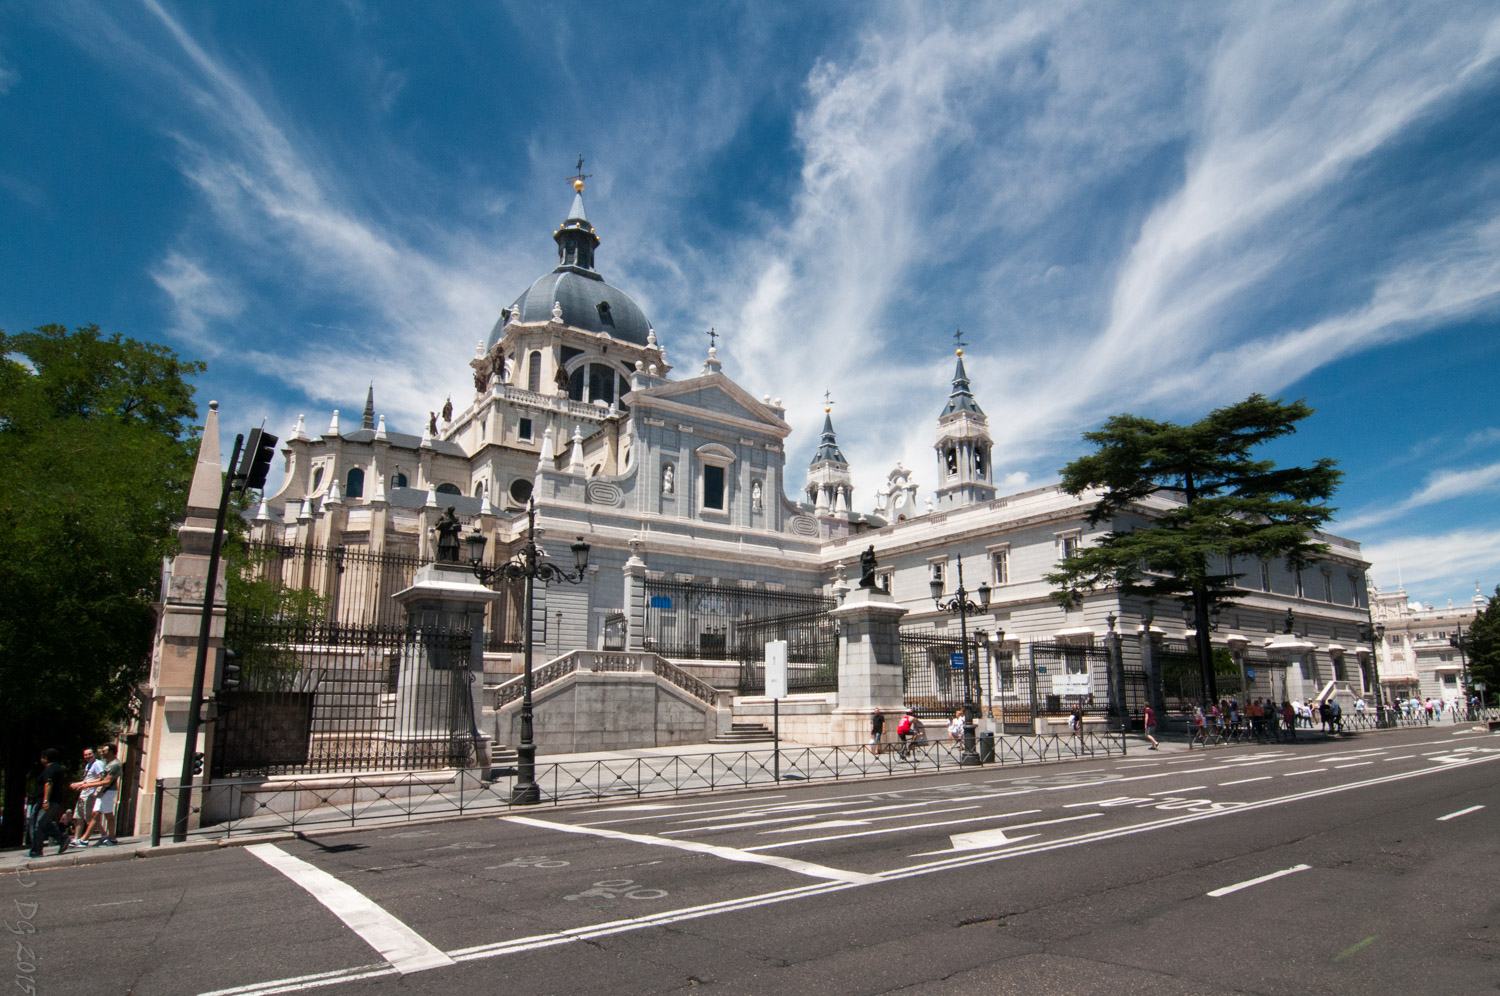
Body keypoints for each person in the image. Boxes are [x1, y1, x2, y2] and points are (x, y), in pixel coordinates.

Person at [72, 744, 123, 846]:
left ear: (111, 752)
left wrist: (88, 785)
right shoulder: (106, 763)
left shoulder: (115, 765)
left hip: (108, 791)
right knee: (95, 814)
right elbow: (101, 778)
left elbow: (107, 781)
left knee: (108, 815)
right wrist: (83, 784)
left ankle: (111, 838)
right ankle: (85, 839)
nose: (102, 753)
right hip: (102, 792)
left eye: (104, 751)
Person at [28, 748, 71, 858]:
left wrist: (45, 800)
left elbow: (48, 784)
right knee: (45, 823)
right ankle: (62, 839)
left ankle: (36, 850)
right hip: (54, 800)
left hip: (44, 801)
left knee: (36, 824)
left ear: (45, 758)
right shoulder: (58, 769)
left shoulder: (49, 769)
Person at [73, 747, 103, 841]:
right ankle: (76, 838)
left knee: (90, 818)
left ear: (94, 754)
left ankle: (104, 835)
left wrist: (87, 784)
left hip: (90, 794)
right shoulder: (88, 765)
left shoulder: (97, 764)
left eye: (89, 754)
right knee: (78, 817)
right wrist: (79, 784)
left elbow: (102, 778)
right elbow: (87, 780)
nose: (88, 756)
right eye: (86, 755)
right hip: (83, 794)